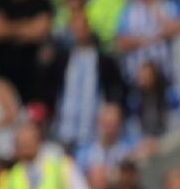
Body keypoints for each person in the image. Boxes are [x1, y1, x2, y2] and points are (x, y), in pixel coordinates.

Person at [43, 14, 125, 151]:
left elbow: (116, 89)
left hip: (93, 132)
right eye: (75, 29)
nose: (79, 33)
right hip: (64, 131)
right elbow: (49, 88)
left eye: (82, 28)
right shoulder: (61, 60)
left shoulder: (104, 61)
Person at [115, 0, 180, 85]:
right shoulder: (128, 10)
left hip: (163, 75)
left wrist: (156, 11)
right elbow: (121, 42)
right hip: (134, 77)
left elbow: (176, 29)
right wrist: (150, 38)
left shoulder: (170, 4)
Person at [0, 0, 53, 103]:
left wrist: (10, 28)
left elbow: (40, 30)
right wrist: (27, 26)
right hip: (2, 81)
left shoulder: (41, 2)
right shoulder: (2, 0)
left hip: (32, 82)